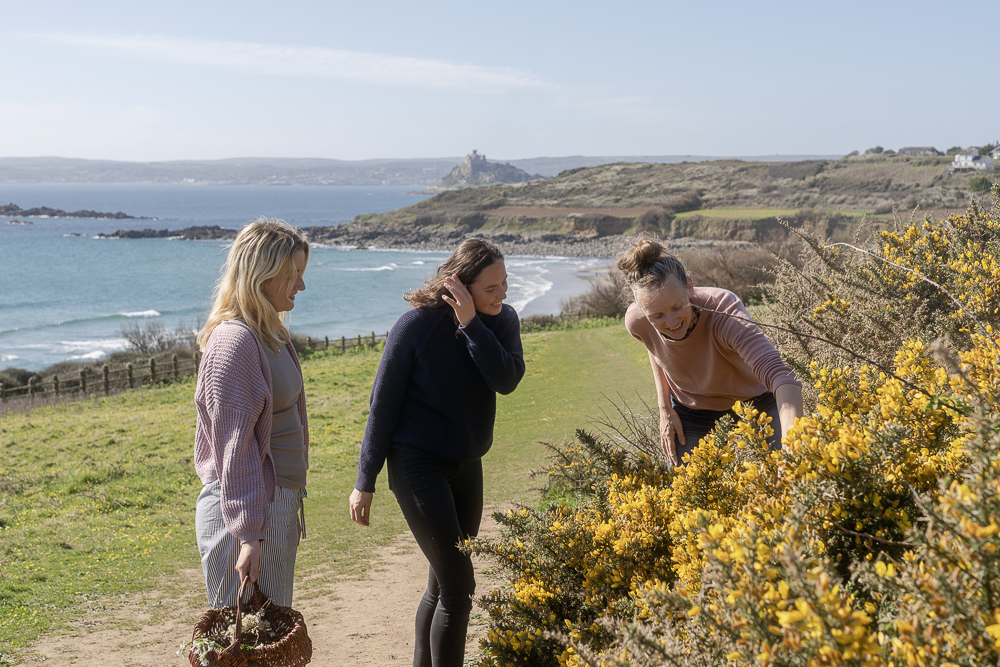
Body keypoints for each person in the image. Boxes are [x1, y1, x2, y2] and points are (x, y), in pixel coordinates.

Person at [349, 238, 525, 667]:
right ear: (459, 286)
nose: (502, 293)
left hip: (467, 464)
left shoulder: (502, 321)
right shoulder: (416, 327)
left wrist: (473, 325)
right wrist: (364, 482)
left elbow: (506, 379)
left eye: (505, 283)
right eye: (491, 288)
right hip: (416, 464)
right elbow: (383, 404)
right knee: (459, 587)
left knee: (442, 583)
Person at [193, 217, 310, 608]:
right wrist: (248, 534)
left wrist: (287, 507)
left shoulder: (271, 334)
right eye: (293, 274)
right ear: (263, 274)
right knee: (242, 644)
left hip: (270, 507)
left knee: (267, 639)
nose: (301, 285)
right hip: (246, 515)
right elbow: (235, 449)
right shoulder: (234, 343)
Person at [618, 235, 803, 466]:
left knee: (783, 474)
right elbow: (655, 349)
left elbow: (782, 376)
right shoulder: (637, 322)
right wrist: (665, 408)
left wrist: (793, 445)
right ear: (643, 311)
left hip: (755, 399)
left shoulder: (724, 312)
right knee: (686, 490)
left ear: (690, 286)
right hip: (692, 408)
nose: (672, 321)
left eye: (678, 307)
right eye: (657, 315)